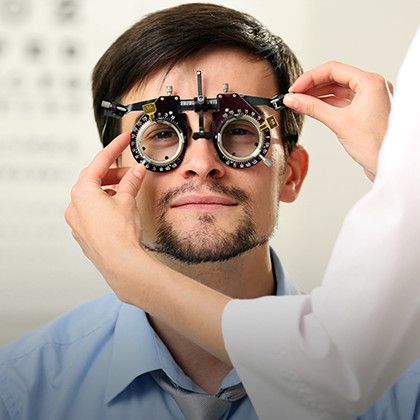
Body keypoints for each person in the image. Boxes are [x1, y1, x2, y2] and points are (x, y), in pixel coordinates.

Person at [0, 3, 418, 419]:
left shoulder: (405, 390)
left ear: (291, 175)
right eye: (161, 134)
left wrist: (399, 165)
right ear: (110, 175)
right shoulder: (21, 391)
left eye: (239, 131)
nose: (201, 162)